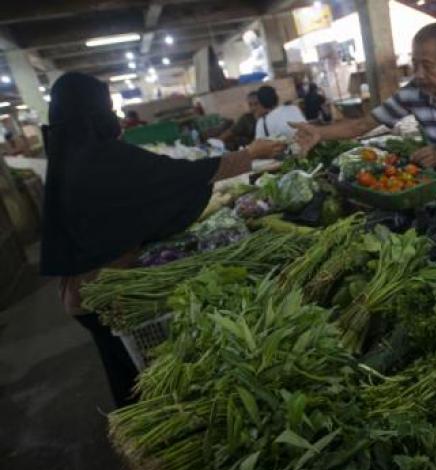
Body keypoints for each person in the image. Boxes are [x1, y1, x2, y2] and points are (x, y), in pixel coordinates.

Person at [39, 72, 286, 408]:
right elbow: (177, 178)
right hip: (104, 292)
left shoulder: (68, 155)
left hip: (80, 291)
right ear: (91, 111)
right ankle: (144, 427)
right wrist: (249, 154)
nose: (113, 116)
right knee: (138, 374)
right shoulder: (103, 159)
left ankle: (130, 422)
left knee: (121, 368)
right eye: (106, 107)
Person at [291, 23, 436, 208]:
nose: (419, 74)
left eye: (427, 65)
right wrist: (319, 133)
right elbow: (362, 125)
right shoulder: (414, 92)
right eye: (415, 64)